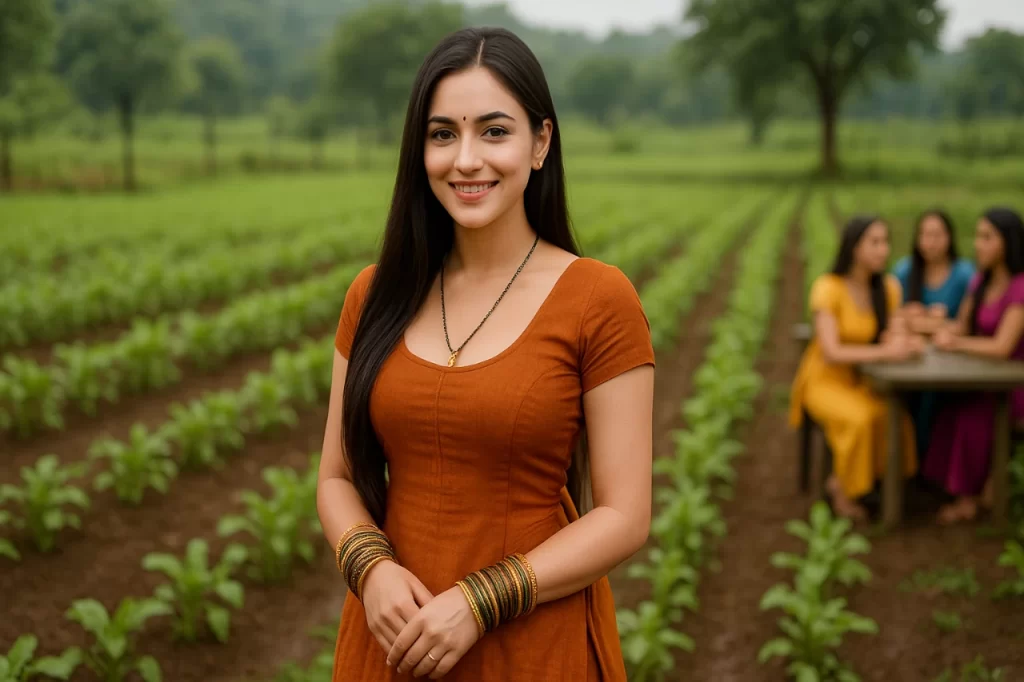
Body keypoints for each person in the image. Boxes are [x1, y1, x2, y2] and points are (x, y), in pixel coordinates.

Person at [316, 27, 655, 682]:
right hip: (394, 636)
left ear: (541, 143)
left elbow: (624, 514)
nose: (465, 159)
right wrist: (372, 569)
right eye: (442, 134)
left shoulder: (597, 298)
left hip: (532, 638)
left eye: (494, 131)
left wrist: (480, 601)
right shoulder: (376, 294)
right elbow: (336, 476)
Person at [789, 216, 921, 521]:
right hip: (824, 381)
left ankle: (879, 485)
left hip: (862, 380)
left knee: (895, 418)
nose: (883, 251)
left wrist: (905, 341)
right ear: (854, 247)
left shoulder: (887, 288)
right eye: (874, 243)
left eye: (885, 242)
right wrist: (884, 351)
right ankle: (843, 489)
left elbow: (890, 330)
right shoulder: (828, 288)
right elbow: (832, 351)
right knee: (860, 419)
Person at [926, 207, 1024, 524]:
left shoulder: (1020, 287)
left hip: (1014, 385)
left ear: (1008, 243)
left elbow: (1002, 347)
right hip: (983, 377)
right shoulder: (980, 281)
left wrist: (957, 344)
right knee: (950, 406)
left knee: (973, 415)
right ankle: (951, 486)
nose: (978, 244)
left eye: (987, 237)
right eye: (978, 236)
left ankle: (968, 499)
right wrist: (930, 327)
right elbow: (962, 326)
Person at [891, 210, 975, 460]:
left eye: (937, 235)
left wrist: (920, 321)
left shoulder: (963, 274)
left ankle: (927, 458)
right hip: (910, 355)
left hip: (952, 359)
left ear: (949, 238)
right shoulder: (905, 270)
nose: (931, 241)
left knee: (935, 399)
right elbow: (893, 316)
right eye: (925, 235)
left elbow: (964, 324)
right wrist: (927, 320)